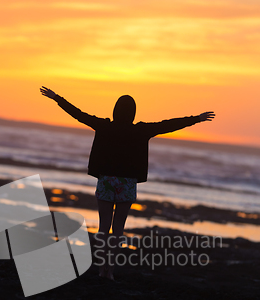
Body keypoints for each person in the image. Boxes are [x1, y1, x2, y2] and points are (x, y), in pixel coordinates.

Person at [40, 86, 215, 280]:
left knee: (103, 228)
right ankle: (110, 271)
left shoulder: (105, 126)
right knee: (118, 230)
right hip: (128, 183)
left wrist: (57, 98)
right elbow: (169, 125)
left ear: (115, 110)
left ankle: (101, 270)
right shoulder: (141, 130)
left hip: (107, 180)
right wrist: (197, 119)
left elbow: (79, 114)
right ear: (133, 113)